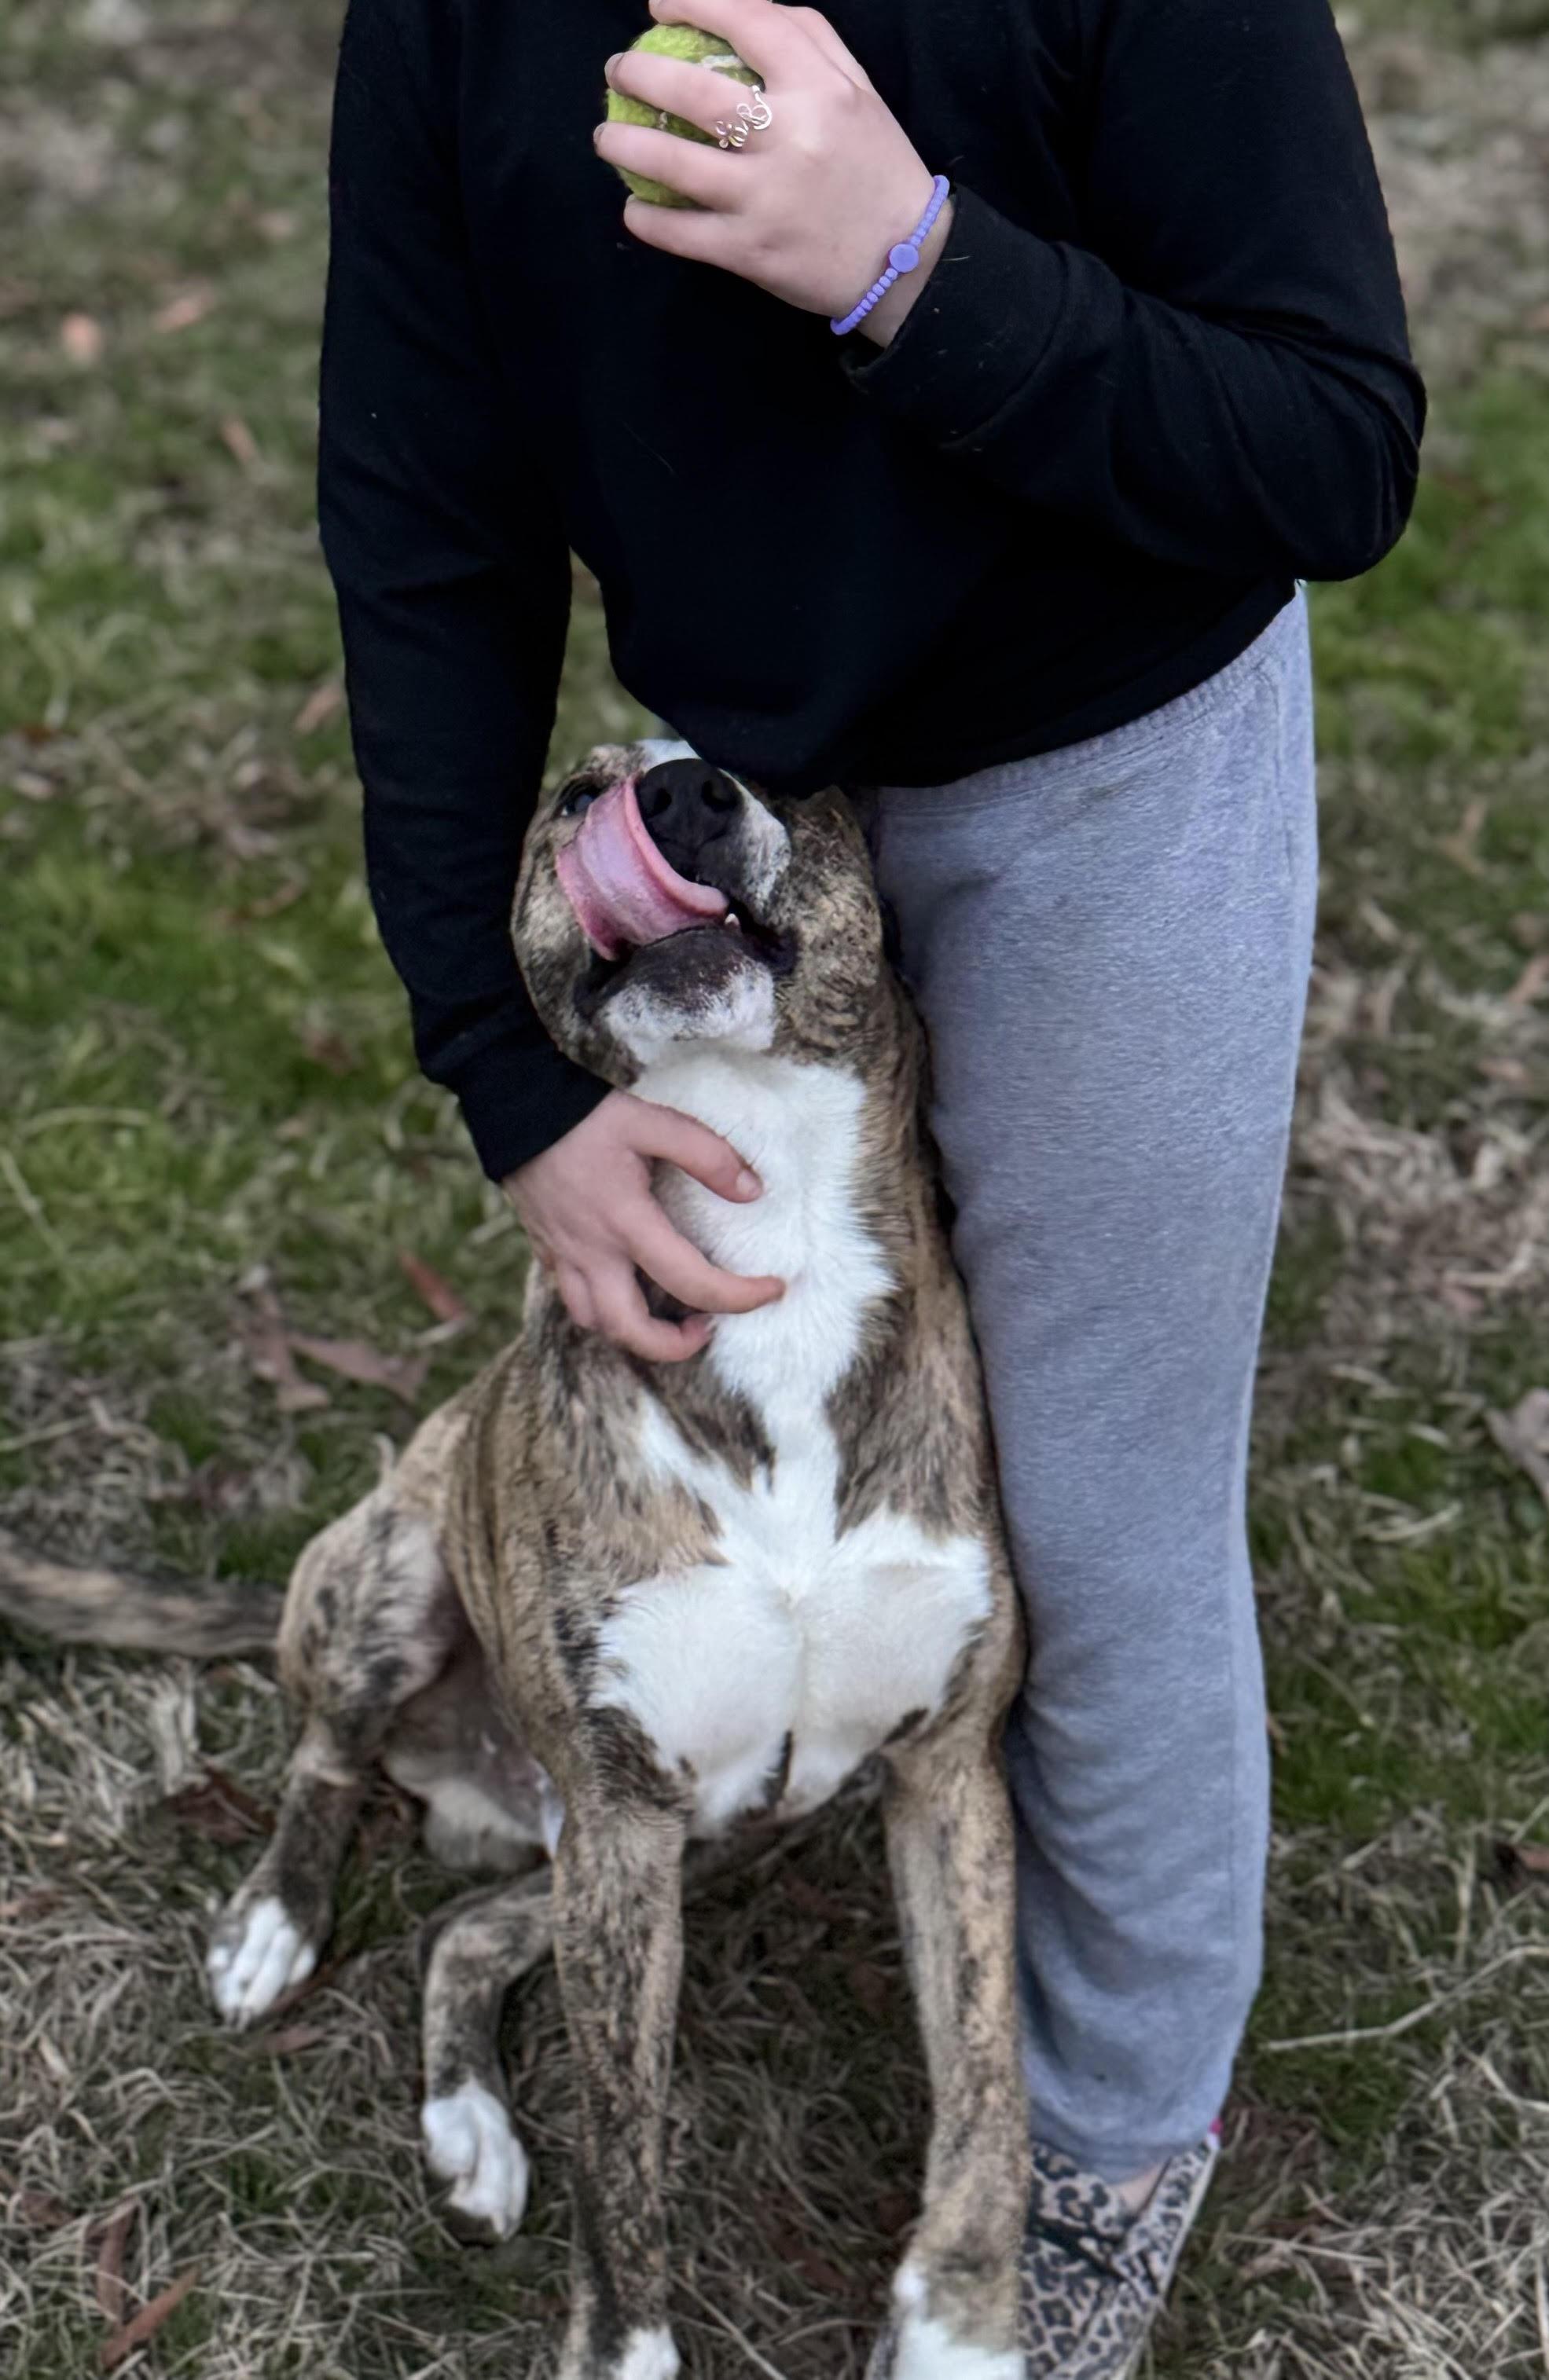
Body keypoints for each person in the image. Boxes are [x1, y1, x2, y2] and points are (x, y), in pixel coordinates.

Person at [319, 0, 1422, 2365]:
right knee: (743, 1417)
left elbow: (1333, 451)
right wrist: (502, 1082)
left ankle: (1100, 2147)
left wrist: (907, 258)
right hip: (749, 782)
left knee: (1097, 1506)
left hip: (1110, 750)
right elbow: (430, 519)